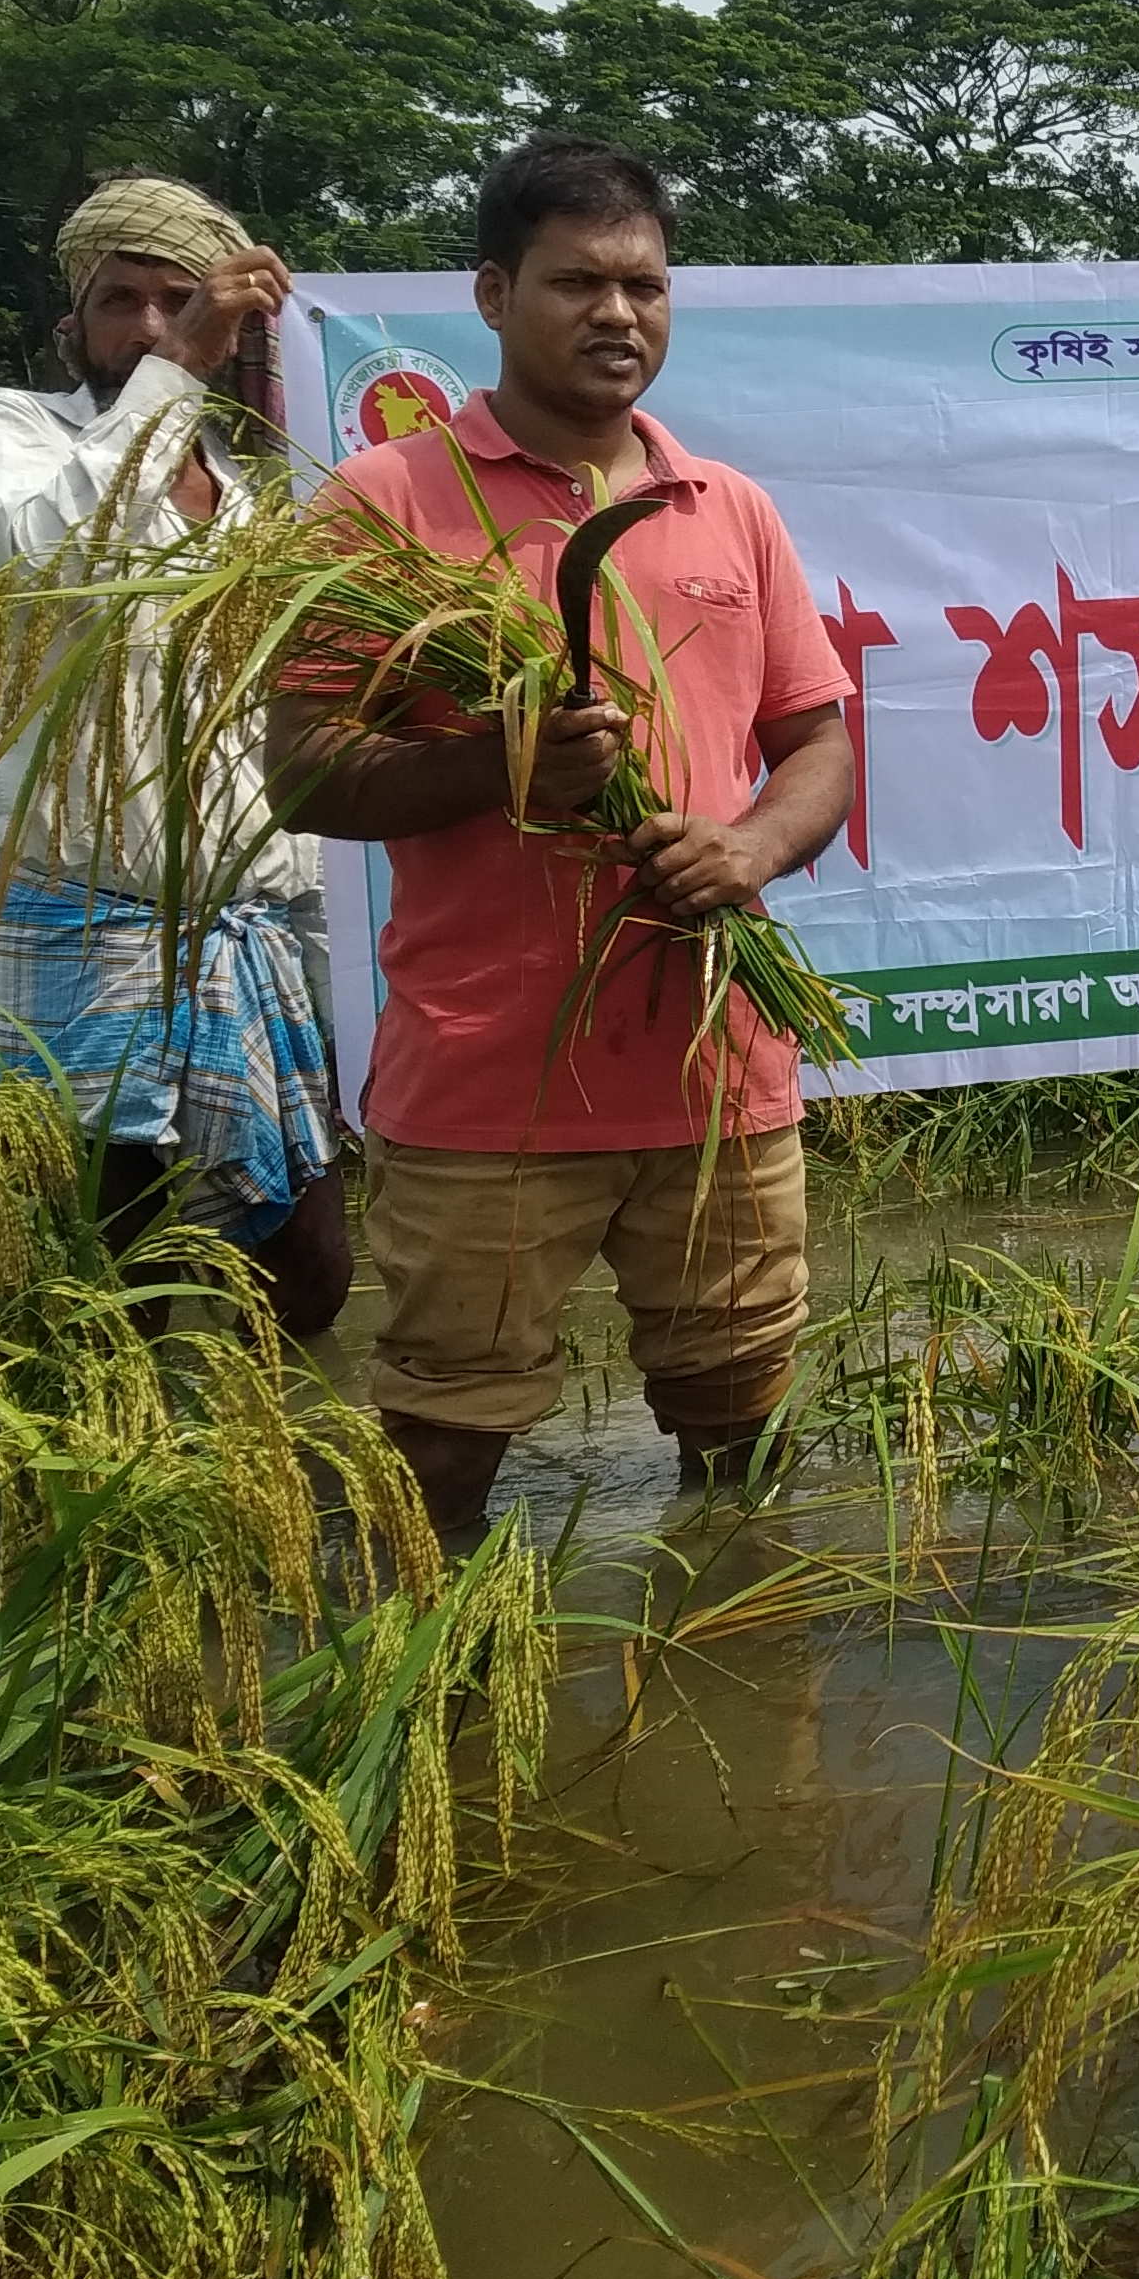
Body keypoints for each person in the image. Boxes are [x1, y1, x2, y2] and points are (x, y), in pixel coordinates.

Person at [268, 135, 857, 1549]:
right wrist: (493, 766)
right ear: (490, 292)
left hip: (715, 1066)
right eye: (576, 282)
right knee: (438, 1455)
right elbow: (302, 773)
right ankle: (431, 1733)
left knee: (743, 1438)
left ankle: (737, 1715)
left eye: (644, 286)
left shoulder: (729, 507)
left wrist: (754, 852)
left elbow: (820, 746)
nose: (618, 315)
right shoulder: (384, 506)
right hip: (489, 1081)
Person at [0, 174, 350, 1333]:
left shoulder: (261, 495)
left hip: (258, 925)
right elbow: (63, 549)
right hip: (86, 913)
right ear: (74, 319)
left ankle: (286, 1487)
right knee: (109, 1275)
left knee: (306, 1273)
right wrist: (181, 378)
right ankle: (125, 1485)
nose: (154, 328)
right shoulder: (12, 433)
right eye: (126, 300)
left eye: (184, 301)